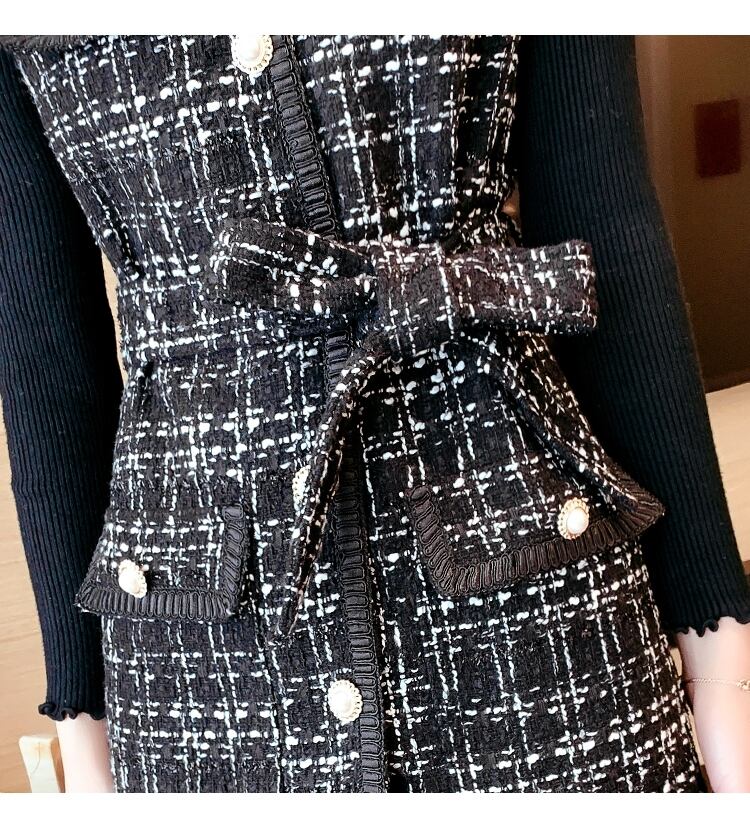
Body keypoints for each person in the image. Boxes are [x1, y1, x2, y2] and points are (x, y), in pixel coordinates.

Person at [0, 34, 748, 794]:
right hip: (195, 659)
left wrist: (720, 653)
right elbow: (45, 357)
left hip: (533, 595)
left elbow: (605, 223)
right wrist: (81, 722)